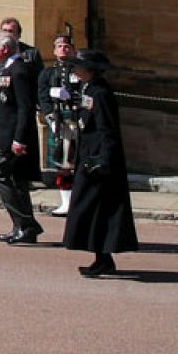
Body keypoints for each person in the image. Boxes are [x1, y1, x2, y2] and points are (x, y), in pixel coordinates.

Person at [61, 50, 140, 276]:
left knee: (96, 209)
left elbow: (107, 130)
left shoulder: (101, 92)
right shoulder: (88, 89)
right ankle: (101, 256)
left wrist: (103, 160)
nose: (75, 70)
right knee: (89, 210)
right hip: (88, 156)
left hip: (99, 162)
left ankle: (104, 257)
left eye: (78, 66)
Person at [0, 31, 44, 245]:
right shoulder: (7, 68)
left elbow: (25, 108)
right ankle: (23, 227)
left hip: (11, 137)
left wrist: (19, 139)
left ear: (5, 49)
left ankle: (25, 221)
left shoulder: (18, 70)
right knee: (17, 181)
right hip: (3, 134)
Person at [38, 31, 81, 217]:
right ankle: (66, 203)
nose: (63, 49)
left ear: (73, 50)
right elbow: (42, 96)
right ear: (54, 51)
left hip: (75, 121)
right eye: (59, 46)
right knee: (62, 165)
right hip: (58, 121)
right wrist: (50, 116)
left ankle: (78, 201)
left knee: (77, 163)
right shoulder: (48, 73)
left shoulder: (79, 72)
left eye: (67, 46)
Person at [0, 16, 41, 100]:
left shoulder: (31, 53)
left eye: (11, 31)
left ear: (19, 34)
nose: (7, 34)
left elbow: (39, 79)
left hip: (18, 99)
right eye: (4, 31)